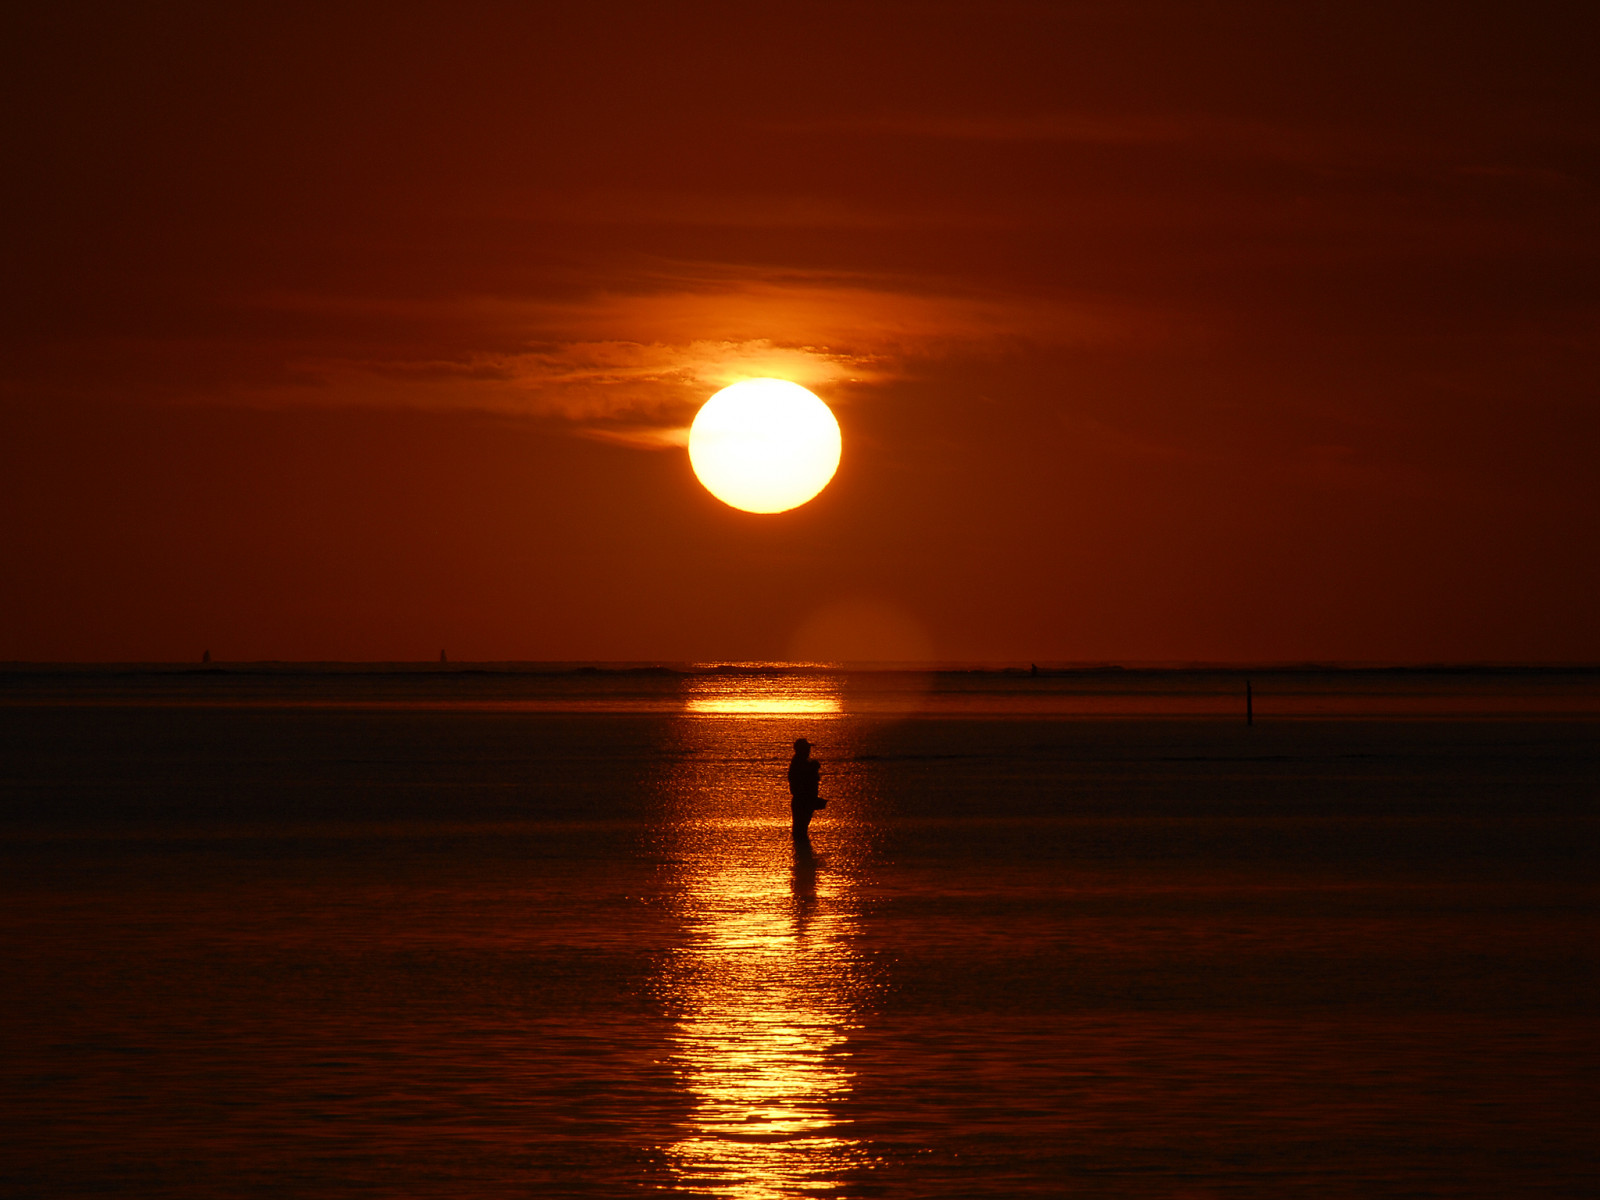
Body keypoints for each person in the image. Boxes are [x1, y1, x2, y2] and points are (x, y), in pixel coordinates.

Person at [787, 737, 823, 839]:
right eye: (806, 748)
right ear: (800, 750)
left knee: (801, 831)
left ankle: (800, 852)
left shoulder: (801, 763)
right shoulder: (799, 764)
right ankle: (800, 852)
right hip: (802, 802)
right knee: (800, 831)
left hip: (805, 801)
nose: (809, 751)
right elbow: (801, 784)